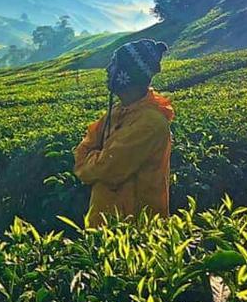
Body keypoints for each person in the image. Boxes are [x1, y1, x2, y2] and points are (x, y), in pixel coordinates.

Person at [74, 39, 174, 227]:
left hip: (133, 231)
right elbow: (85, 149)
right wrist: (93, 157)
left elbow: (106, 168)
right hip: (105, 224)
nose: (107, 70)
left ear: (128, 74)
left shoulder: (149, 123)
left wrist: (91, 158)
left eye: (114, 64)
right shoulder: (119, 111)